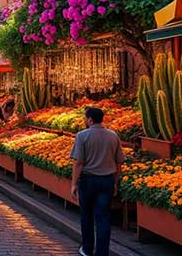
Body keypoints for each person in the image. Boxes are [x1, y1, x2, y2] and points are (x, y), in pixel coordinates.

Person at [71, 107, 125, 256]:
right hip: (107, 180)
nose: (84, 120)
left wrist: (74, 183)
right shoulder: (113, 136)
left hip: (88, 180)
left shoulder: (82, 135)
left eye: (84, 117)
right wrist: (115, 182)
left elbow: (78, 162)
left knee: (86, 216)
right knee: (103, 218)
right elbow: (119, 162)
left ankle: (87, 249)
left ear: (90, 120)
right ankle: (102, 252)